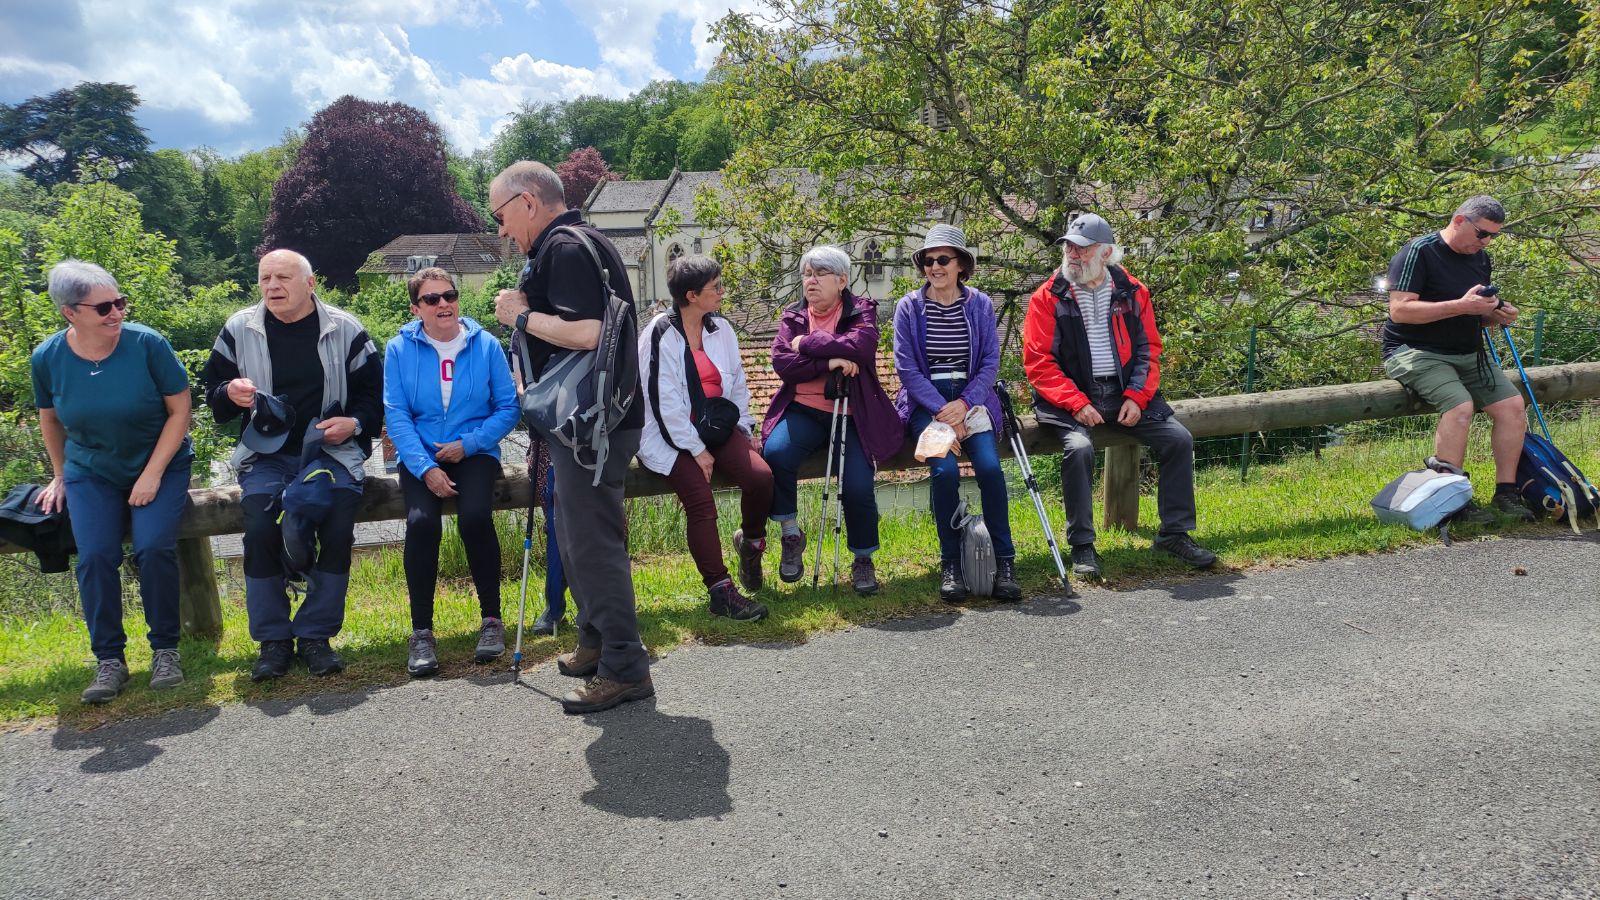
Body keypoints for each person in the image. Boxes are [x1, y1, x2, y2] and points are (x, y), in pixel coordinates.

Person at [490, 160, 651, 714]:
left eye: (501, 215)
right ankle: (595, 640)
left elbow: (589, 332)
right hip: (591, 419)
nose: (502, 229)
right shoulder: (585, 241)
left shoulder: (563, 248)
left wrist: (520, 315)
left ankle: (625, 667)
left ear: (528, 202)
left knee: (592, 542)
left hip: (590, 426)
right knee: (575, 534)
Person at [202, 249, 383, 681]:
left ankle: (316, 635)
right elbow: (212, 397)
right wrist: (230, 393)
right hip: (266, 455)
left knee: (338, 526)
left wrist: (353, 422)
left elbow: (376, 399)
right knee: (261, 527)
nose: (272, 287)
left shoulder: (347, 329)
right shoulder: (238, 329)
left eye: (282, 277)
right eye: (265, 278)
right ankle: (274, 640)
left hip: (331, 453)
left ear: (310, 284)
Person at [30, 260, 194, 704]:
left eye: (120, 302)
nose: (117, 313)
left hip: (159, 462)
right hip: (91, 470)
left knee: (153, 547)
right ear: (70, 312)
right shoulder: (48, 357)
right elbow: (50, 418)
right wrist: (61, 474)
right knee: (96, 557)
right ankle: (109, 660)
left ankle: (165, 650)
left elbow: (181, 411)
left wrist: (152, 474)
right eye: (103, 307)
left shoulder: (148, 345)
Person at [1022, 213, 1216, 578]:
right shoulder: (1047, 296)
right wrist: (1077, 403)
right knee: (1079, 449)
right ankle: (1082, 545)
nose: (1073, 256)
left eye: (1082, 249)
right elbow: (1038, 362)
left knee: (1178, 439)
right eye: (1068, 248)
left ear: (1107, 252)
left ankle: (1174, 534)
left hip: (1124, 392)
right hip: (1070, 397)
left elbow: (1148, 350)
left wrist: (1136, 397)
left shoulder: (1133, 291)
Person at [384, 267, 519, 678]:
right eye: (431, 299)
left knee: (475, 517)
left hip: (473, 450)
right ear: (416, 308)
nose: (443, 304)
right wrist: (425, 467)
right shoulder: (399, 349)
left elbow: (509, 407)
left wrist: (470, 444)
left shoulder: (487, 346)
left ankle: (492, 621)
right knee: (422, 523)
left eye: (449, 295)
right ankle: (422, 632)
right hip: (422, 455)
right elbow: (396, 414)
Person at [762, 246, 904, 595]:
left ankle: (863, 558)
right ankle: (791, 535)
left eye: (820, 274)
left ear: (842, 280)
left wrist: (806, 342)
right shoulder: (792, 315)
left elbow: (861, 348)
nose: (811, 281)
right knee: (776, 454)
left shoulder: (862, 310)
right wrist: (830, 362)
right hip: (803, 411)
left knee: (857, 487)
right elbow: (783, 363)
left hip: (852, 415)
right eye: (807, 274)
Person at [638, 254, 772, 621]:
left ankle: (750, 543)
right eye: (716, 287)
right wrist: (696, 451)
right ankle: (721, 591)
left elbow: (737, 382)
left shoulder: (720, 329)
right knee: (700, 499)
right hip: (667, 434)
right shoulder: (659, 334)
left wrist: (744, 428)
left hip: (713, 424)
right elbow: (662, 402)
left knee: (760, 478)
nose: (723, 291)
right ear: (692, 295)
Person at [1383, 195, 1532, 522]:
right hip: (1413, 351)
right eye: (1482, 233)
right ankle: (1451, 499)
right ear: (1460, 220)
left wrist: (1498, 315)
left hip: (1466, 352)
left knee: (1512, 407)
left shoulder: (1480, 258)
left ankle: (1507, 492)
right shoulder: (1418, 252)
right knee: (1460, 406)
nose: (1486, 242)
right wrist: (1462, 306)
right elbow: (1400, 311)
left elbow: (1476, 313)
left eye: (1494, 236)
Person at [892, 225, 1021, 602]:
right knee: (944, 471)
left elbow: (990, 361)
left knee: (991, 470)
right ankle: (951, 564)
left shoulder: (979, 304)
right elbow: (907, 368)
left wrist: (964, 404)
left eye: (943, 259)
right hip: (927, 401)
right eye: (929, 261)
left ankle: (1005, 561)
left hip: (972, 399)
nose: (935, 267)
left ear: (961, 264)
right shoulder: (909, 307)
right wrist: (942, 410)